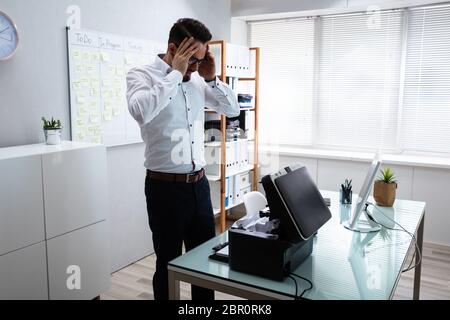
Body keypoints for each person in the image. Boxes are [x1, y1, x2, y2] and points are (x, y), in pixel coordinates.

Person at [126, 18, 240, 300]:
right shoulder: (142, 76)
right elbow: (141, 111)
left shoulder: (198, 80)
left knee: (205, 263)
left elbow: (233, 109)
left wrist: (212, 78)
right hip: (164, 189)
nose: (195, 68)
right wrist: (175, 74)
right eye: (192, 60)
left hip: (199, 187)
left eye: (200, 61)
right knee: (167, 262)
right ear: (173, 48)